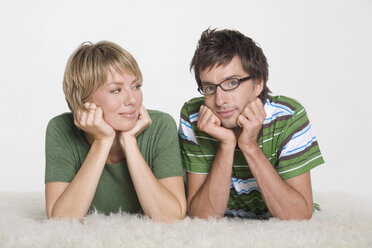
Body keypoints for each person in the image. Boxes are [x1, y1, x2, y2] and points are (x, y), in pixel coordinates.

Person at [179, 28, 324, 220]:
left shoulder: (289, 116)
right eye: (209, 88)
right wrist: (227, 145)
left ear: (258, 84)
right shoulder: (194, 117)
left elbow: (298, 216)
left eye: (232, 83)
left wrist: (249, 147)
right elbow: (201, 216)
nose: (220, 100)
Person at [45, 41, 186, 222]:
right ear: (84, 100)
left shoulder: (160, 126)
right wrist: (102, 141)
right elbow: (61, 220)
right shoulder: (61, 130)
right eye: (116, 90)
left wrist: (129, 142)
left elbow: (171, 217)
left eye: (136, 86)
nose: (132, 100)